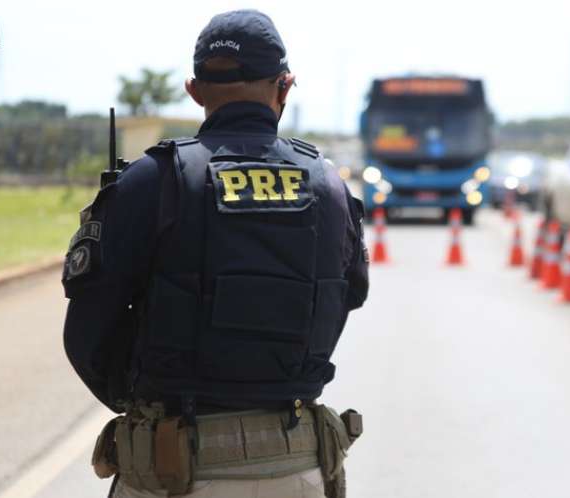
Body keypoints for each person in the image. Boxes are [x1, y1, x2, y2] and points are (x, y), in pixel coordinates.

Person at [62, 9, 369, 498]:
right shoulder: (329, 186)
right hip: (299, 467)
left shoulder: (152, 180)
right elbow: (347, 296)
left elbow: (87, 333)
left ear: (194, 90)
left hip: (174, 468)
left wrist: (148, 395)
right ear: (285, 87)